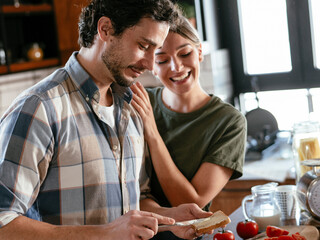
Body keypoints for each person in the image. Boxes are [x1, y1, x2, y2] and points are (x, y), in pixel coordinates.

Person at [0, 1, 213, 239]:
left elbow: (134, 201)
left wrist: (170, 217)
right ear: (105, 30)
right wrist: (105, 233)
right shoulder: (39, 109)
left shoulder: (132, 107)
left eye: (156, 50)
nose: (151, 64)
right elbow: (3, 223)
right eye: (144, 46)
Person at [131, 16, 247, 239]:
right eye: (162, 60)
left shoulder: (229, 122)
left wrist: (152, 133)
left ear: (200, 52)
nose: (177, 67)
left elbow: (189, 204)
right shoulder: (140, 103)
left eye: (185, 54)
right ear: (151, 65)